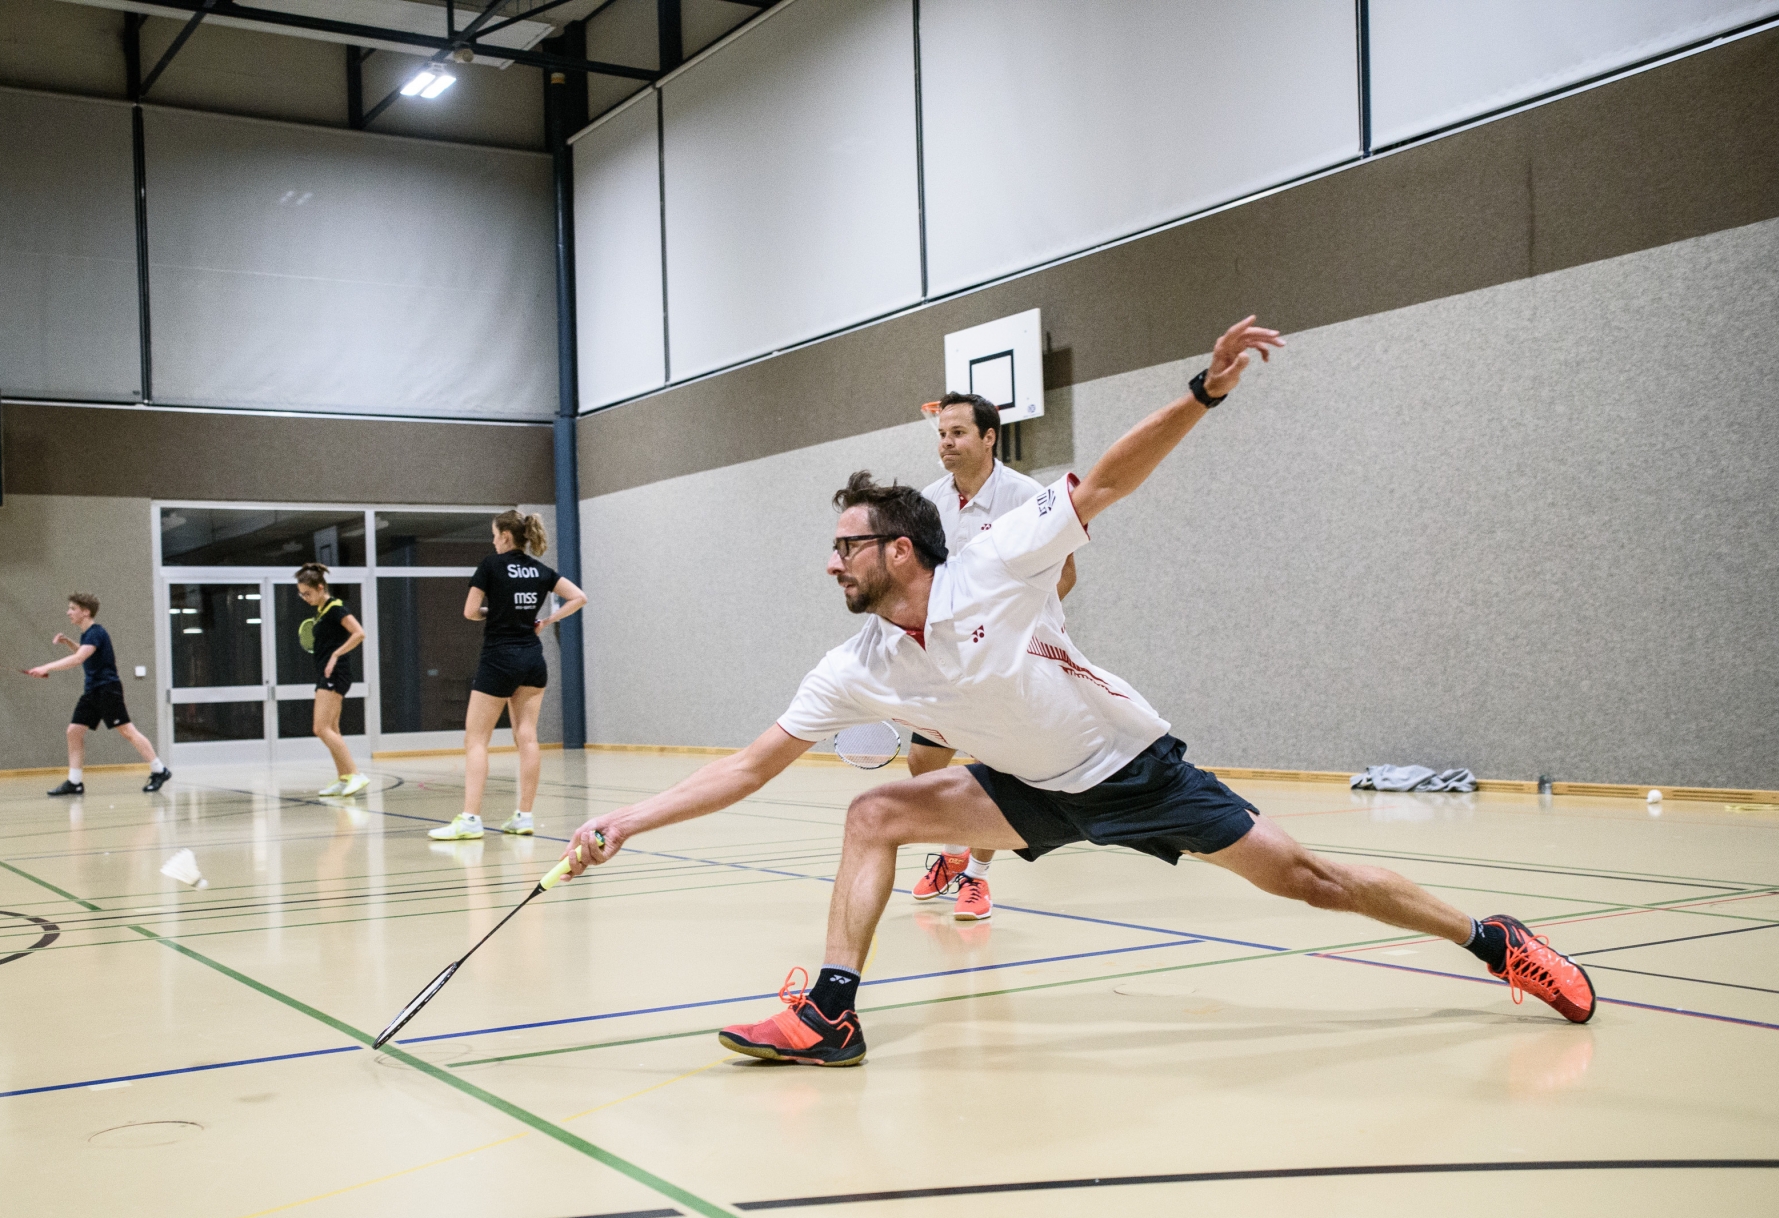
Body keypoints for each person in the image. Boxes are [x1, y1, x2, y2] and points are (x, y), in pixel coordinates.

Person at [564, 316, 1596, 1067]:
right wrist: (626, 819)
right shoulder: (857, 665)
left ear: (898, 548)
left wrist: (1201, 391)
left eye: (843, 548)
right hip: (1020, 784)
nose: (827, 565)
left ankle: (1492, 939)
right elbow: (750, 764)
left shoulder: (993, 563)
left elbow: (1102, 480)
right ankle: (832, 1012)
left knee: (1308, 880)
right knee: (874, 808)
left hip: (1129, 768)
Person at [909, 392, 1079, 923]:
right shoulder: (926, 503)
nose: (946, 443)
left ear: (989, 437)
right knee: (923, 764)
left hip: (1010, 659)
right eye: (941, 434)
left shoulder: (1027, 497)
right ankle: (954, 846)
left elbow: (1065, 574)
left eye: (958, 433)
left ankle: (976, 879)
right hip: (948, 658)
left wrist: (1012, 632)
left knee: (998, 765)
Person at [429, 510, 587, 841]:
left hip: (499, 660)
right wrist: (549, 620)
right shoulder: (541, 570)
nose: (492, 540)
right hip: (532, 660)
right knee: (527, 737)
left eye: (493, 534)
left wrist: (495, 610)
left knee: (476, 739)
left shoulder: (491, 565)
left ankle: (471, 818)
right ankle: (524, 816)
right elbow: (579, 597)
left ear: (505, 536)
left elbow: (470, 611)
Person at [29, 593, 171, 796]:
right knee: (74, 731)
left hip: (107, 690)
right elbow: (85, 653)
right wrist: (69, 643)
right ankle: (74, 782)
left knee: (127, 732)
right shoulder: (87, 635)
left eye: (72, 608)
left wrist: (45, 667)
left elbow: (79, 659)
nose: (68, 612)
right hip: (92, 691)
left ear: (85, 612)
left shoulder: (96, 632)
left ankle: (160, 770)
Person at [294, 563, 370, 797]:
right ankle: (344, 778)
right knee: (333, 728)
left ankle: (356, 774)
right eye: (301, 594)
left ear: (320, 587)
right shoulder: (320, 612)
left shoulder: (336, 608)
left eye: (307, 593)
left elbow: (359, 633)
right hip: (326, 673)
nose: (304, 597)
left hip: (335, 673)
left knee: (321, 728)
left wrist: (336, 654)